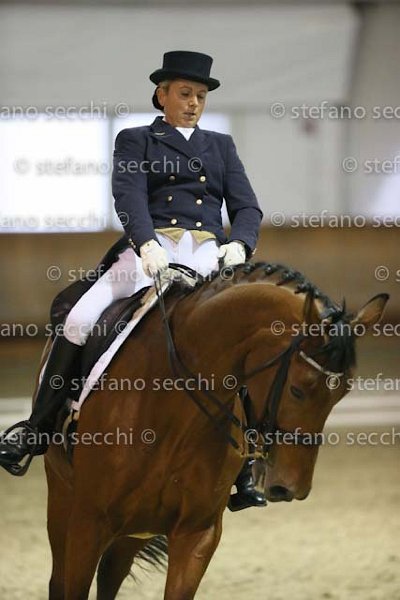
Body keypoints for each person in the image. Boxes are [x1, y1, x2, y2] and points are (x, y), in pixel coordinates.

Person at [0, 50, 265, 508]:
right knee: (80, 318)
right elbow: (128, 194)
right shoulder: (136, 139)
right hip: (149, 250)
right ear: (162, 95)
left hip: (207, 254)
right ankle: (37, 428)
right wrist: (146, 244)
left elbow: (247, 206)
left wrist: (240, 243)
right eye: (185, 94)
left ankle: (246, 460)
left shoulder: (220, 146)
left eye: (201, 96)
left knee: (237, 338)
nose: (194, 103)